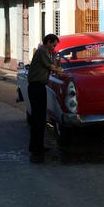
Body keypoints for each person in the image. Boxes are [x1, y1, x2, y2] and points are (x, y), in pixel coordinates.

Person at [28, 34, 63, 164]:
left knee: (41, 118)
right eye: (53, 45)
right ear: (48, 42)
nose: (54, 48)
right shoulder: (42, 51)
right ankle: (35, 149)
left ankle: (38, 146)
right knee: (38, 118)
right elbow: (52, 67)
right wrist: (62, 71)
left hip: (39, 87)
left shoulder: (46, 52)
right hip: (36, 87)